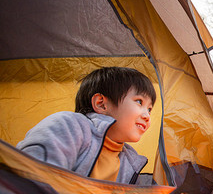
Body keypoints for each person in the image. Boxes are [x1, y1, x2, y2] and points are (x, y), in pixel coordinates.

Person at [17, 66, 155, 184]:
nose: (147, 116)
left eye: (149, 109)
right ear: (101, 104)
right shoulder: (69, 126)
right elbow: (32, 179)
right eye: (139, 102)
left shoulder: (129, 161)